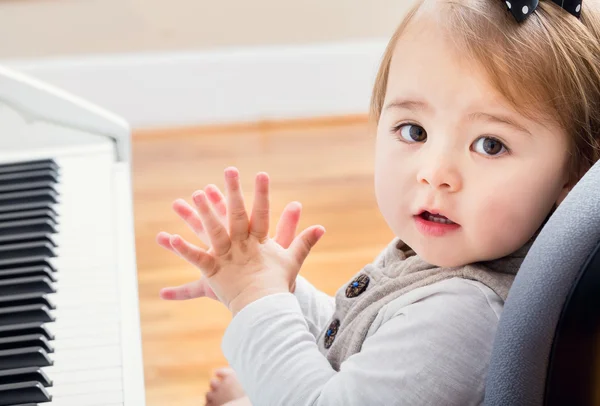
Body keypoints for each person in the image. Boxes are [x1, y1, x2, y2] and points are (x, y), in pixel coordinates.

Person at [156, 0, 600, 404]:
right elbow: (360, 335)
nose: (435, 172)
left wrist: (256, 299)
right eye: (414, 131)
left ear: (574, 173)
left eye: (489, 144)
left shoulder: (461, 318)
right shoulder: (454, 251)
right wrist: (275, 285)